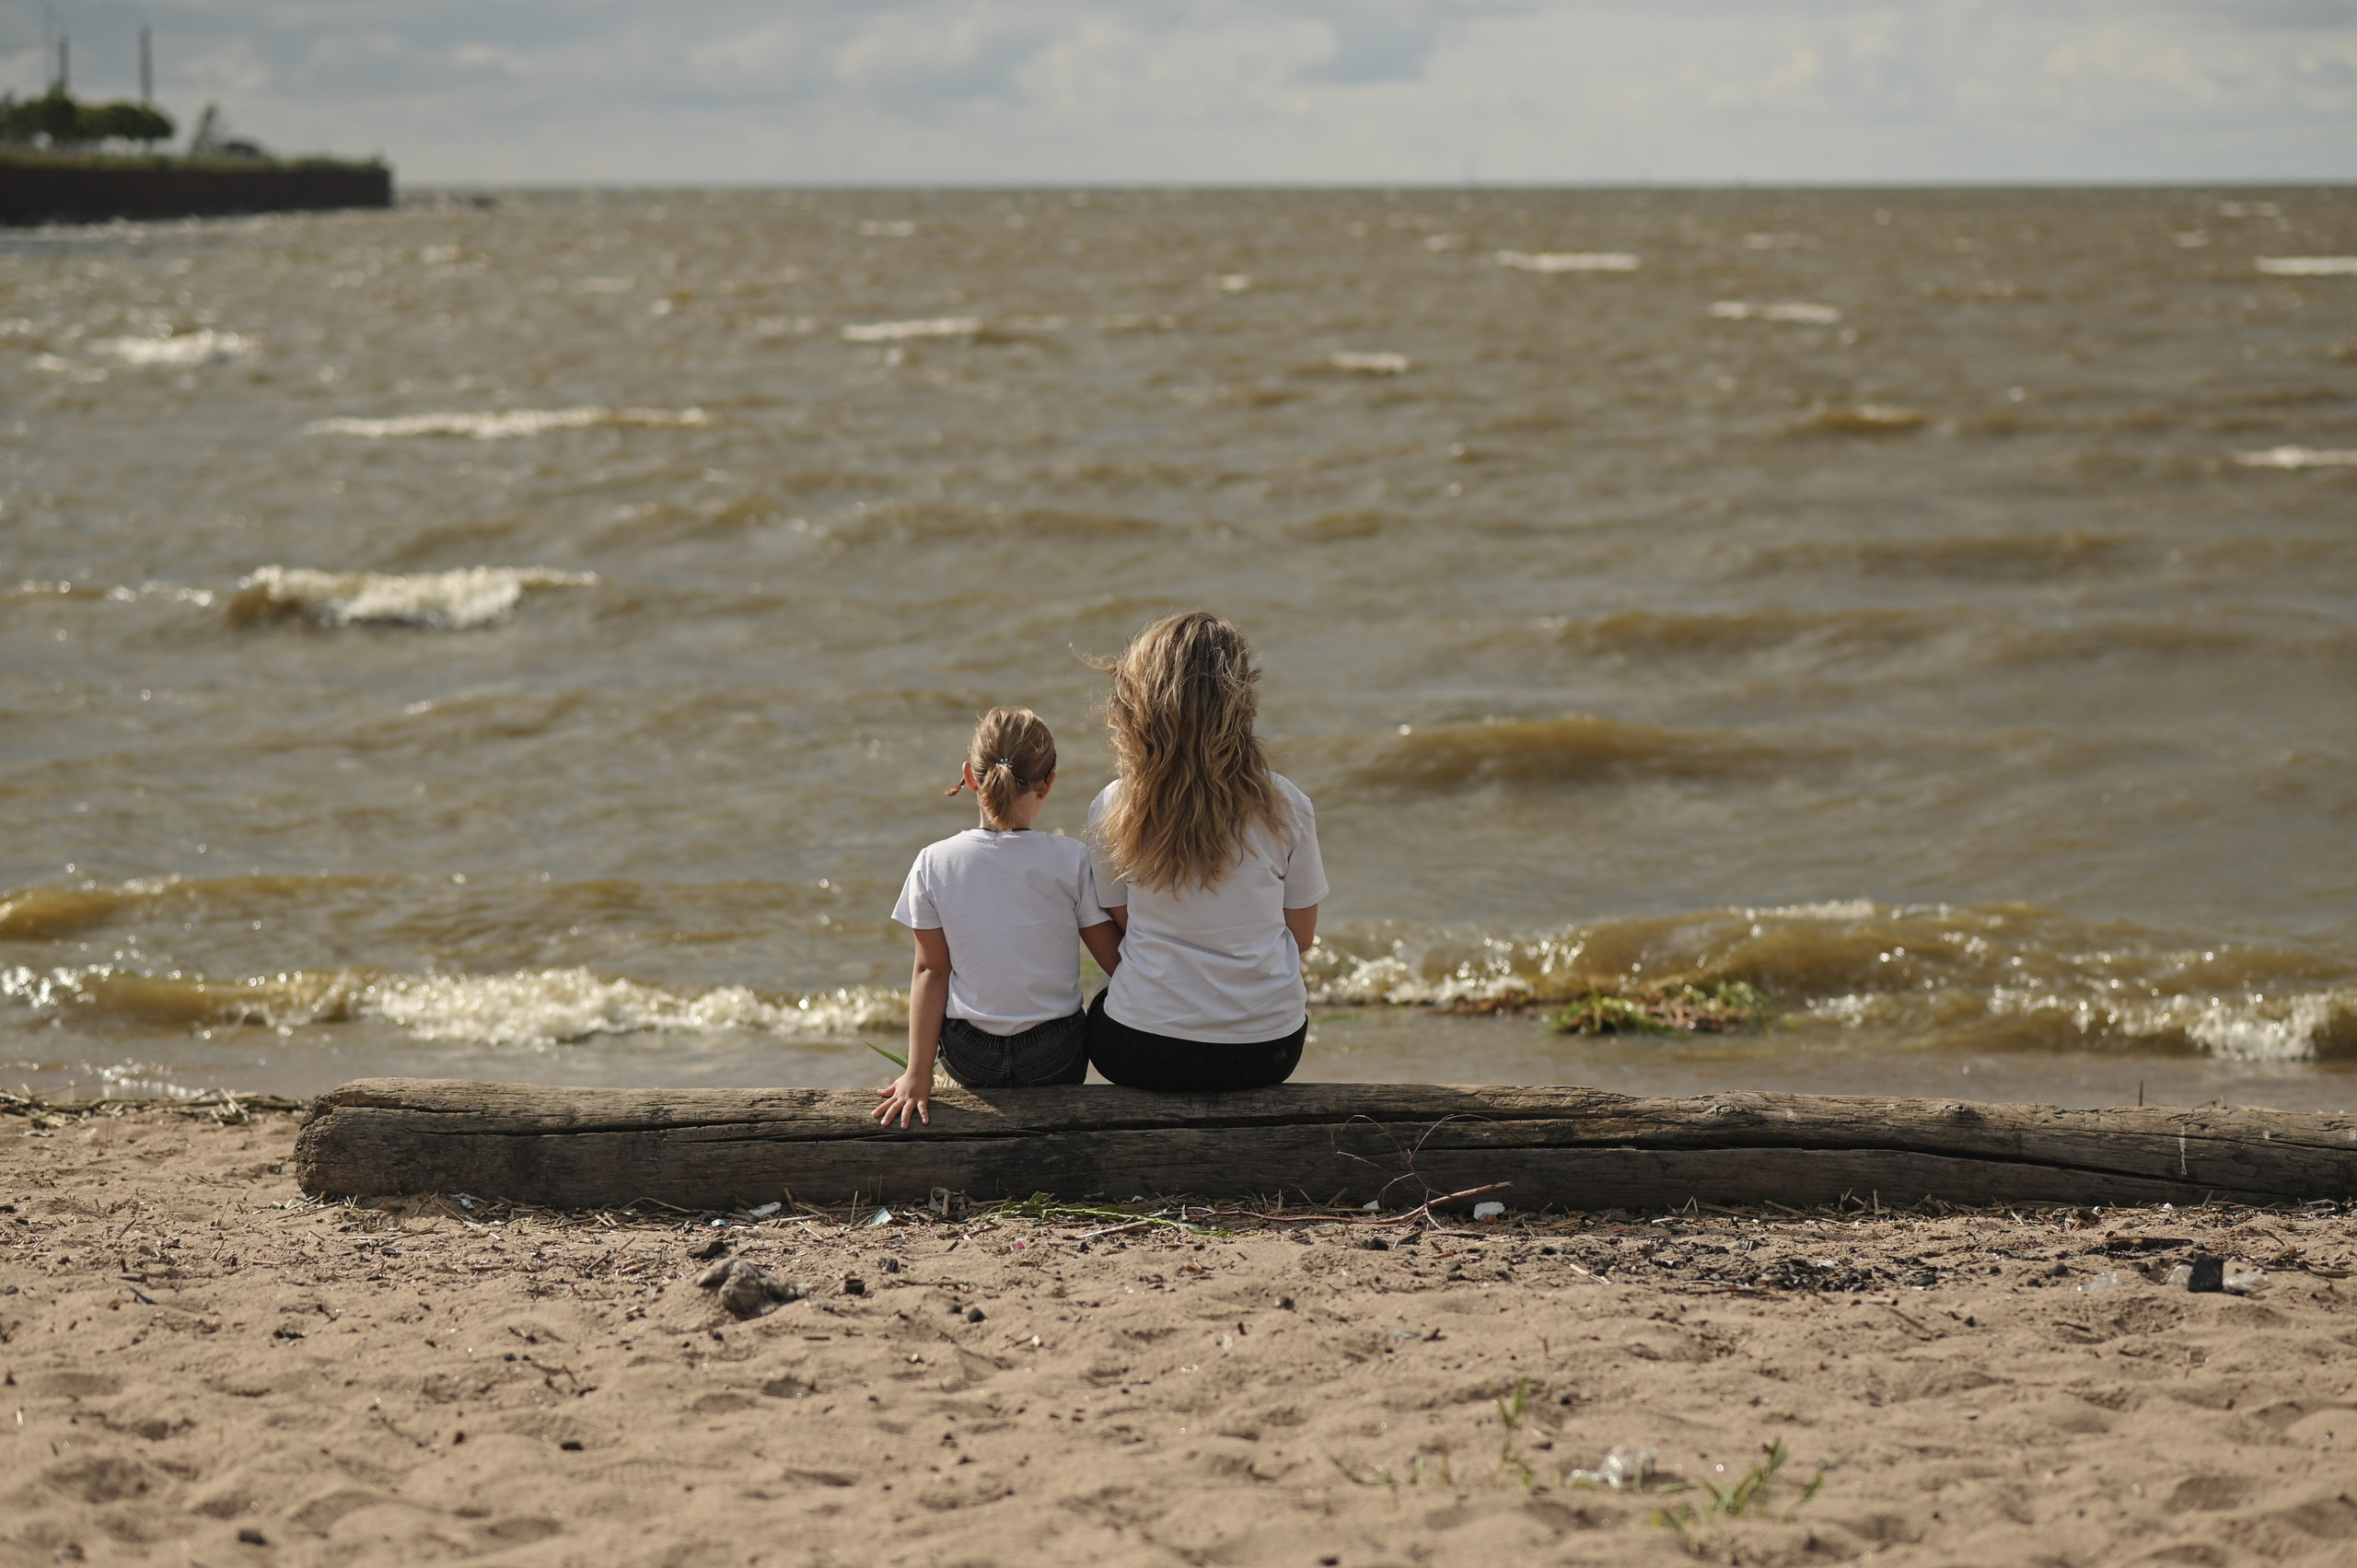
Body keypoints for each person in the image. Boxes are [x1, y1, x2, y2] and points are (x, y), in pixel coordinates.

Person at [1083, 611, 1326, 1091]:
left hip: (1144, 1051)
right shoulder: (1286, 805)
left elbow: (1119, 919)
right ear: (1240, 701)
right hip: (1267, 1052)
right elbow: (1300, 937)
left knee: (1098, 1012)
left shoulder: (1114, 806)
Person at [875, 708, 1122, 1128]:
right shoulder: (1072, 859)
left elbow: (931, 971)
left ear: (970, 777)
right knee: (1103, 987)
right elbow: (1113, 960)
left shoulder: (933, 862)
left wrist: (917, 1076)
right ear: (1048, 784)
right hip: (1054, 1056)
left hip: (972, 1058)